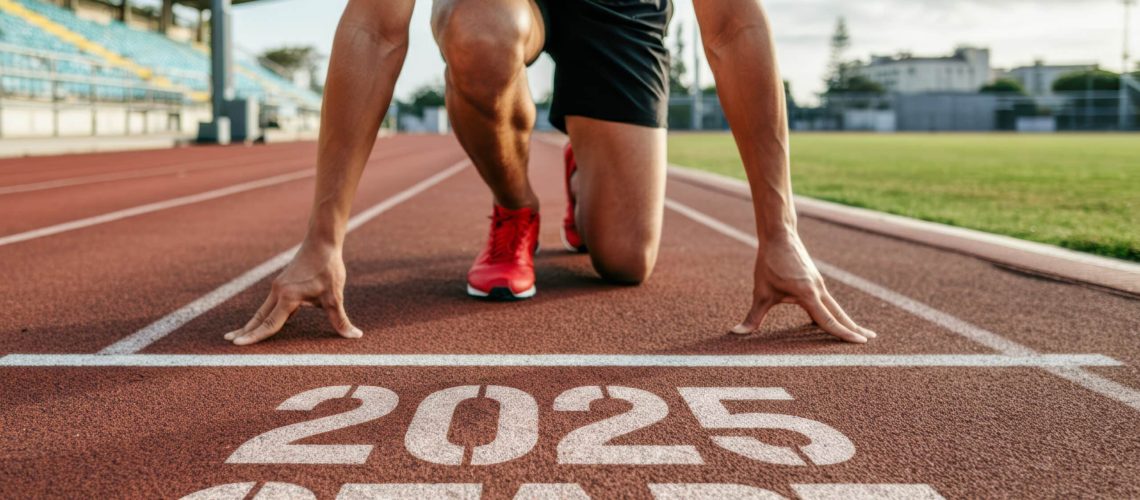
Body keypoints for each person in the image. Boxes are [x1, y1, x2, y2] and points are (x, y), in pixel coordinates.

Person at [224, 0, 878, 346]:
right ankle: (517, 207)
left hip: (619, 7)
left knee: (623, 259)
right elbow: (375, 27)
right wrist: (323, 239)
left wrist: (780, 231)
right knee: (479, 35)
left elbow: (733, 26)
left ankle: (584, 166)